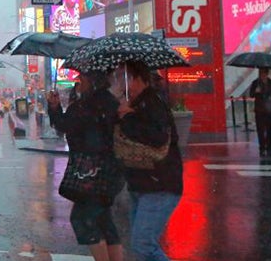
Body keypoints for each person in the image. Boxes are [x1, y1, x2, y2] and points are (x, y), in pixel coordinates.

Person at [47, 72, 124, 261]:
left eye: (81, 79)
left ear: (92, 80)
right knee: (104, 222)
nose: (78, 82)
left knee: (83, 220)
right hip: (113, 173)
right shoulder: (113, 103)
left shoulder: (85, 106)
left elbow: (64, 126)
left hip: (92, 175)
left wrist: (54, 108)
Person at [114, 61, 183, 261]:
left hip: (159, 185)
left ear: (138, 78)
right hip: (142, 184)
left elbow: (156, 137)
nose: (122, 82)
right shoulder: (136, 103)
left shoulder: (152, 102)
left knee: (143, 245)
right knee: (141, 248)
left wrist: (127, 118)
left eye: (124, 77)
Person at [248, 68, 271, 157]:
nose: (262, 75)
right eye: (261, 73)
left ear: (267, 73)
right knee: (260, 129)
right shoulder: (256, 83)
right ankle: (262, 147)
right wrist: (256, 91)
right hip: (259, 109)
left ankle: (269, 147)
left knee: (269, 129)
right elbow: (251, 94)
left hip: (269, 109)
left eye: (264, 73)